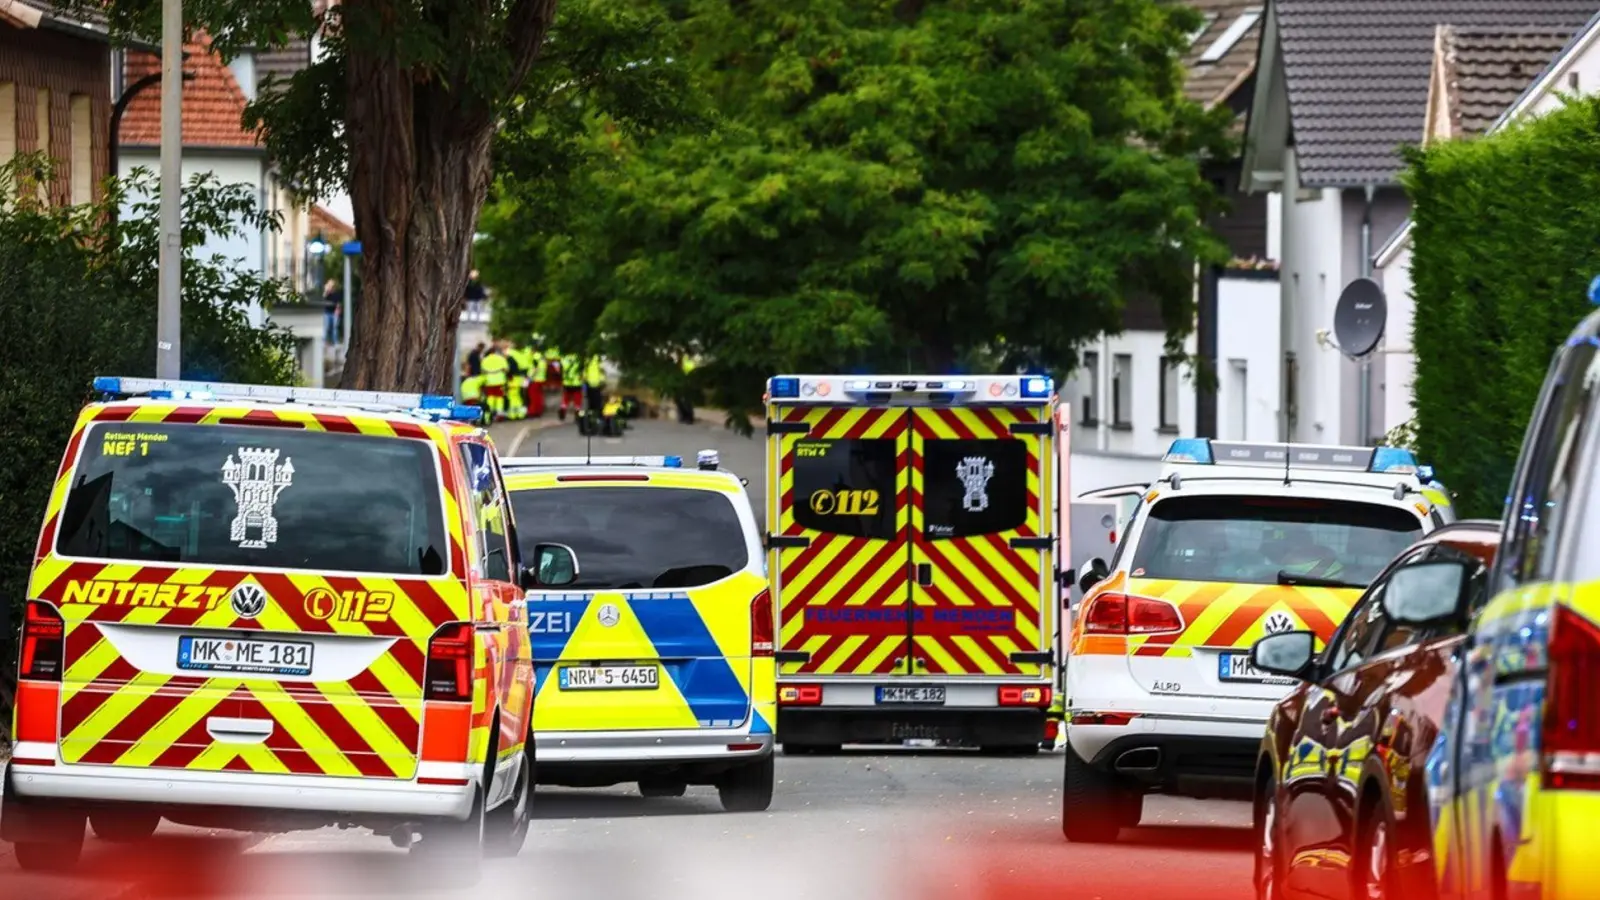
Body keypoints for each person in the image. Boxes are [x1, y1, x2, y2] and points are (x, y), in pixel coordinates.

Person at [480, 340, 509, 422]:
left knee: (490, 398)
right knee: (499, 398)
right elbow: (506, 370)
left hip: (489, 382)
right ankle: (499, 414)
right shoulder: (501, 359)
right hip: (500, 382)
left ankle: (490, 413)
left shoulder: (485, 360)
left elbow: (482, 371)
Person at [559, 350, 582, 421]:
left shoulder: (564, 359)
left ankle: (563, 410)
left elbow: (560, 370)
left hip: (567, 382)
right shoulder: (579, 359)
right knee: (577, 399)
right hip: (576, 383)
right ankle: (577, 414)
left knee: (566, 398)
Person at [322, 279, 342, 345]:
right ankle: (324, 342)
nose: (331, 287)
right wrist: (326, 290)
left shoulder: (337, 293)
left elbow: (338, 303)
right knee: (326, 327)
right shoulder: (326, 293)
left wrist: (338, 310)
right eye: (330, 286)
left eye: (332, 286)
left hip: (334, 312)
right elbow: (323, 298)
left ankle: (335, 341)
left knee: (335, 327)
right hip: (327, 312)